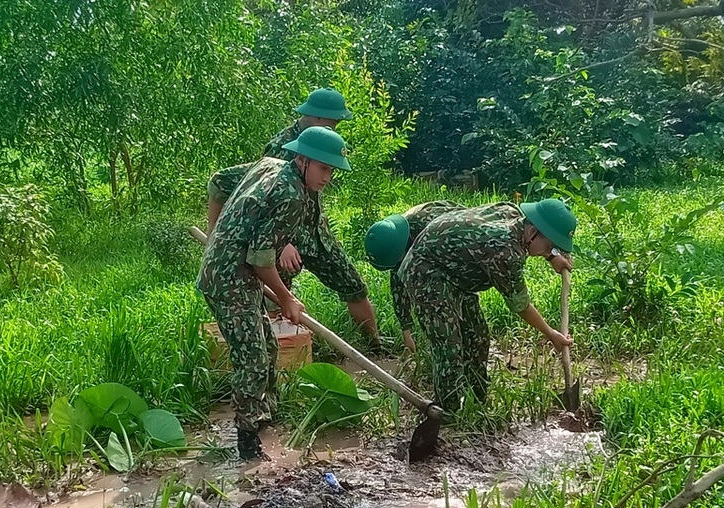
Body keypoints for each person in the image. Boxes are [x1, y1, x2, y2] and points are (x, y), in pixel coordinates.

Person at [197, 126, 351, 460]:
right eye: (323, 168)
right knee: (252, 356)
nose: (328, 176)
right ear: (302, 159)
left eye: (332, 169)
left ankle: (265, 419)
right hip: (228, 278)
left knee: (266, 344)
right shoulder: (290, 195)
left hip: (235, 270)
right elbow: (261, 260)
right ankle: (248, 443)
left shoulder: (270, 164)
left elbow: (223, 183)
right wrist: (286, 298)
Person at [205, 89, 380, 348]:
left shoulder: (324, 144)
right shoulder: (283, 148)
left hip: (314, 234)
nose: (335, 128)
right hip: (277, 241)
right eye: (333, 122)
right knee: (277, 299)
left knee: (352, 284)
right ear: (317, 119)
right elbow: (242, 189)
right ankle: (288, 357)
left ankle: (374, 343)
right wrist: (282, 243)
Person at [397, 198, 576, 413]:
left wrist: (551, 255)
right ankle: (450, 414)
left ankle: (477, 402)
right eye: (549, 246)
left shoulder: (511, 212)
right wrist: (551, 333)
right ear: (532, 233)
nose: (549, 251)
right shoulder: (504, 252)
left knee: (478, 337)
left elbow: (539, 240)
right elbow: (521, 305)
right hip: (426, 273)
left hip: (457, 272)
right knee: (449, 347)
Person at [364, 200, 462, 353]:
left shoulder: (429, 229)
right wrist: (406, 333)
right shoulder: (394, 240)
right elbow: (398, 283)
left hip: (462, 242)